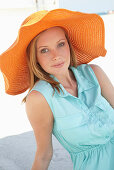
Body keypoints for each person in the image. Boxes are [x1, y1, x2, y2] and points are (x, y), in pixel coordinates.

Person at [0, 8, 114, 170]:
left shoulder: (94, 73)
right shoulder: (39, 98)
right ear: (35, 58)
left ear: (69, 45)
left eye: (60, 44)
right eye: (44, 50)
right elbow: (44, 155)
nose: (56, 55)